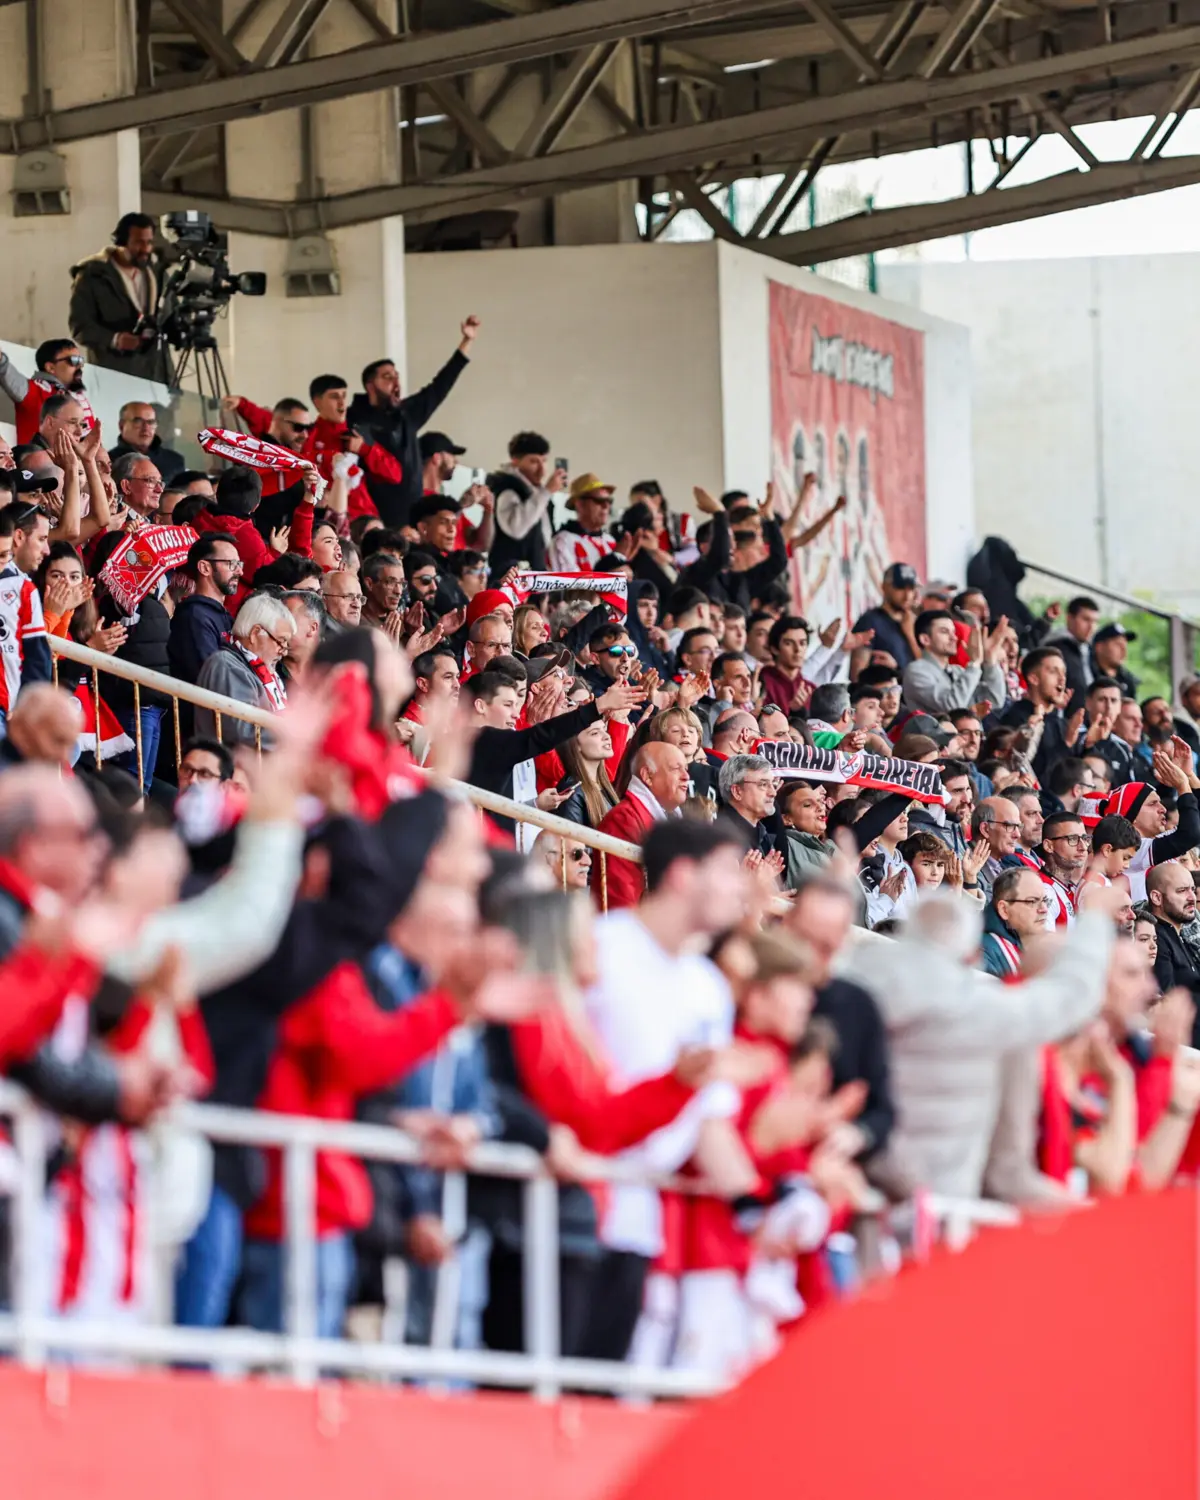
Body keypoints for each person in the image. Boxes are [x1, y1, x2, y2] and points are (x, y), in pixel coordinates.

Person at [577, 818, 752, 1363]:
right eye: (727, 871)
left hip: (640, 1221)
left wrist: (761, 1204)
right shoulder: (599, 950)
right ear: (681, 875)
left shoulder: (708, 987)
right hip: (571, 1205)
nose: (740, 888)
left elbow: (708, 1121)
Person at [844, 886, 1120, 1197]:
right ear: (973, 956)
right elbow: (1071, 996)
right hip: (938, 1203)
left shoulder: (851, 981)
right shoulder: (979, 1008)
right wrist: (1095, 919)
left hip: (856, 1179)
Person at [784, 877, 895, 1165]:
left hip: (828, 1156)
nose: (810, 956)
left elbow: (881, 1110)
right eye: (803, 939)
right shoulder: (752, 984)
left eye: (826, 947)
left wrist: (856, 1135)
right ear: (786, 924)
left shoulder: (858, 1005)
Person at [345, 319, 480, 527]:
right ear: (370, 386)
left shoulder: (407, 414)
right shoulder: (355, 421)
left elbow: (439, 386)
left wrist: (466, 341)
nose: (396, 383)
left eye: (397, 376)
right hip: (374, 523)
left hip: (413, 522)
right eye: (387, 377)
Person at [68, 212, 167, 380]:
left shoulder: (158, 274)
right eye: (138, 242)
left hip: (156, 374)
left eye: (149, 242)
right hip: (114, 376)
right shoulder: (92, 276)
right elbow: (80, 328)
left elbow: (170, 318)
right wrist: (115, 339)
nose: (145, 249)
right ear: (121, 241)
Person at [594, 742, 692, 909]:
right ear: (647, 776)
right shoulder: (624, 819)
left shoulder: (666, 818)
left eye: (686, 769)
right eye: (676, 769)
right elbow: (620, 899)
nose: (686, 777)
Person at [195, 593, 293, 745]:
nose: (284, 651)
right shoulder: (225, 665)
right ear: (255, 633)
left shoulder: (257, 669)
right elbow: (242, 730)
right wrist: (295, 735)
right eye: (281, 642)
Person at [487, 431, 567, 576]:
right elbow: (516, 528)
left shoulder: (535, 492)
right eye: (534, 462)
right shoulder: (507, 489)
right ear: (515, 461)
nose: (542, 470)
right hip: (510, 577)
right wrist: (546, 492)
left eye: (544, 461)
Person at [902, 608, 1007, 716]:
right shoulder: (916, 671)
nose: (954, 638)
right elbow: (952, 705)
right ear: (925, 639)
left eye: (954, 632)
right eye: (944, 632)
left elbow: (995, 700)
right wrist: (974, 663)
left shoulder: (958, 671)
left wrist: (990, 661)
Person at [169, 533, 242, 687]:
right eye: (232, 564)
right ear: (205, 567)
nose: (239, 572)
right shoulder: (193, 617)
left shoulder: (221, 614)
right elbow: (211, 678)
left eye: (239, 564)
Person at [0, 338, 94, 446]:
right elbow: (6, 372)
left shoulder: (78, 397)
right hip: (40, 461)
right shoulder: (34, 389)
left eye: (81, 361)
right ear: (50, 367)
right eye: (73, 360)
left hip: (75, 462)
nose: (79, 366)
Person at [850, 562, 921, 676]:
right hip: (884, 692)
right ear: (884, 587)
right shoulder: (869, 621)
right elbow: (857, 675)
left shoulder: (914, 622)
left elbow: (927, 671)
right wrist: (895, 671)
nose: (907, 596)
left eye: (911, 589)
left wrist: (911, 635)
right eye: (900, 588)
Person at [979, 867, 1051, 977]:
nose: (1044, 909)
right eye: (1032, 901)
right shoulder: (982, 954)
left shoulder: (1043, 946)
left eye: (1044, 900)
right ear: (1004, 909)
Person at [1146, 862, 1200, 1011]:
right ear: (1157, 898)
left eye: (1193, 890)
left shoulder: (1179, 933)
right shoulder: (1155, 938)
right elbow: (1168, 999)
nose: (1192, 898)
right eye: (1182, 891)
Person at [548, 474, 619, 573]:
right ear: (579, 504)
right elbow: (567, 585)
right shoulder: (563, 541)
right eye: (599, 500)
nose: (606, 506)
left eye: (609, 501)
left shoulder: (610, 540)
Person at [718, 754, 780, 858]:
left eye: (773, 785)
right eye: (763, 784)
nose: (773, 793)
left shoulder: (762, 833)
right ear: (737, 791)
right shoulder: (720, 836)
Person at [1043, 594, 1099, 705]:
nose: (1091, 626)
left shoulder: (1090, 651)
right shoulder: (1055, 649)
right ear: (1069, 618)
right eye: (1086, 619)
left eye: (1095, 621)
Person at [107, 401, 184, 483]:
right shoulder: (107, 462)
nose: (146, 428)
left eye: (151, 422)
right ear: (122, 426)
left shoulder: (174, 461)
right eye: (138, 421)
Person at [777, 781, 832, 886]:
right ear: (786, 818)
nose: (820, 808)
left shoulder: (830, 847)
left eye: (820, 801)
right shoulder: (785, 845)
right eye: (808, 805)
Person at [970, 797, 1023, 898]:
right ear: (985, 829)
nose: (1017, 834)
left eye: (1018, 827)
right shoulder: (967, 867)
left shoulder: (1009, 864)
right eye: (1009, 826)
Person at [1091, 622, 1138, 698]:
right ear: (1099, 647)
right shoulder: (1087, 674)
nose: (1123, 650)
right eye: (1118, 644)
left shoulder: (1128, 680)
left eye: (1125, 645)